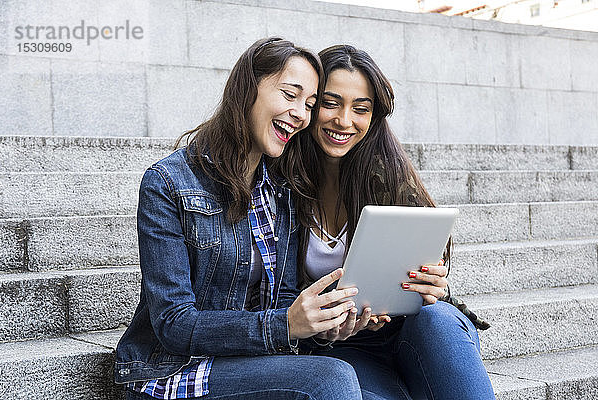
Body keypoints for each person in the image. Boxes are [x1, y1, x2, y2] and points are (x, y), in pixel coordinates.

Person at [114, 38, 364, 400]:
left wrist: (319, 326)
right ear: (248, 88)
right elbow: (172, 322)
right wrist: (283, 326)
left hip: (247, 363)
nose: (301, 114)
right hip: (174, 370)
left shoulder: (280, 190)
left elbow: (286, 298)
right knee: (330, 379)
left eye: (309, 104)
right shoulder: (168, 183)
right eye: (290, 95)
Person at [273, 44, 496, 400]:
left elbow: (428, 278)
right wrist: (323, 326)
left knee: (437, 319)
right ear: (310, 105)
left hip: (416, 330)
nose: (344, 121)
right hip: (343, 346)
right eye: (331, 103)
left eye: (360, 109)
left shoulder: (388, 178)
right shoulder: (280, 185)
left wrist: (434, 286)